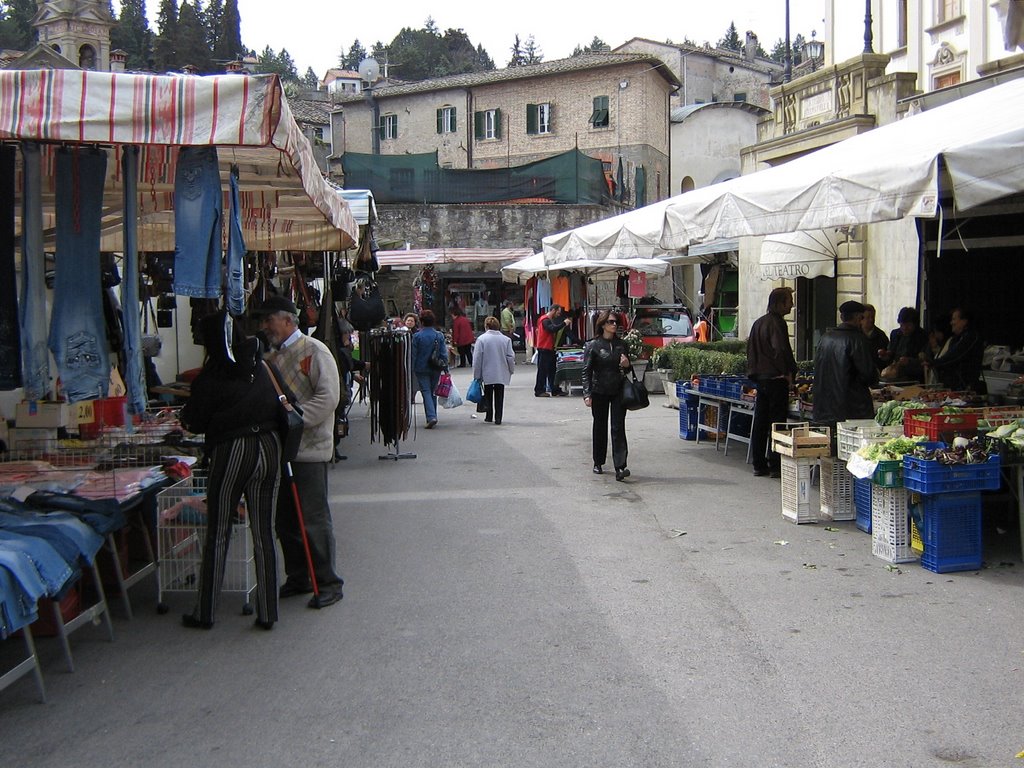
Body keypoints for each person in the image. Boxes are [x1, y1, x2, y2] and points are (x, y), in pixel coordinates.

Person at [179, 311, 283, 630]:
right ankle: (268, 613)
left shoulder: (212, 375)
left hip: (232, 451)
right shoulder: (263, 366)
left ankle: (206, 611)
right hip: (269, 447)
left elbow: (193, 421)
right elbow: (286, 403)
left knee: (219, 529)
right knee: (264, 532)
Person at [258, 295, 344, 609]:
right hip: (283, 450)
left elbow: (329, 396)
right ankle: (299, 576)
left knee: (313, 518)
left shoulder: (314, 350)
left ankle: (328, 582)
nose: (265, 326)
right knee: (286, 521)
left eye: (269, 319)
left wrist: (298, 420)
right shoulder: (272, 357)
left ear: (287, 320)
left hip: (309, 450)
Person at [747, 287, 797, 478]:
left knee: (760, 422)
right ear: (779, 303)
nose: (792, 304)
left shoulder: (759, 323)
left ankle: (759, 464)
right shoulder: (777, 323)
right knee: (777, 423)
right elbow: (781, 350)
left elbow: (750, 351)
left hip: (761, 379)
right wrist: (787, 373)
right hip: (775, 379)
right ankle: (775, 464)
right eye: (789, 300)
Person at [582, 310, 633, 481]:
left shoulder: (622, 345)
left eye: (615, 322)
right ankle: (598, 461)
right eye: (611, 322)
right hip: (599, 390)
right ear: (603, 324)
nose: (614, 325)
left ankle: (620, 466)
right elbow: (586, 371)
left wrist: (627, 365)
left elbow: (628, 370)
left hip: (618, 390)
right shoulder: (593, 345)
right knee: (600, 426)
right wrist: (587, 393)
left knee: (618, 427)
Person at [812, 301, 879, 429]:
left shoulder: (826, 338)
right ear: (858, 317)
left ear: (842, 317)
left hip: (824, 407)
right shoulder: (857, 339)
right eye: (862, 317)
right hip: (851, 407)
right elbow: (868, 374)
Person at [925, 307, 985, 392]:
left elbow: (955, 356)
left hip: (965, 387)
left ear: (964, 321)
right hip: (954, 386)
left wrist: (934, 363)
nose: (951, 323)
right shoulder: (955, 339)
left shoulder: (971, 337)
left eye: (954, 319)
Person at [472, 316, 515, 424]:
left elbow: (477, 358)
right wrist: (511, 370)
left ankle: (489, 415)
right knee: (500, 395)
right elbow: (510, 357)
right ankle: (498, 417)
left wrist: (476, 375)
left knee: (488, 394)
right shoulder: (506, 340)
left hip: (487, 372)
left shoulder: (481, 339)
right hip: (501, 372)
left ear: (486, 326)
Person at [411, 309, 448, 429]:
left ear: (421, 322)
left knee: (426, 391)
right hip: (435, 367)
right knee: (433, 391)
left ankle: (431, 416)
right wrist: (446, 368)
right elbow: (443, 354)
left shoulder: (417, 336)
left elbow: (413, 355)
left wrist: (411, 368)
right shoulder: (439, 335)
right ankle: (432, 415)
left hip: (421, 368)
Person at [880, 306, 928, 382]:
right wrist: (886, 355)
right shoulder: (895, 334)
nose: (904, 328)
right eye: (902, 325)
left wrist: (910, 361)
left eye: (908, 325)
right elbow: (891, 352)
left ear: (915, 324)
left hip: (913, 377)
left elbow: (925, 360)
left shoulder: (922, 336)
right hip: (895, 375)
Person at [534, 304, 571, 397]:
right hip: (544, 348)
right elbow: (552, 329)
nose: (558, 315)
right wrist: (564, 323)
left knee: (552, 371)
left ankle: (555, 389)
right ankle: (539, 390)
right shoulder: (545, 320)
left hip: (549, 348)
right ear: (553, 310)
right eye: (558, 312)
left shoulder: (546, 320)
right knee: (543, 371)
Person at [860, 304, 889, 371]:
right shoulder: (855, 335)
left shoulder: (881, 336)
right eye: (868, 317)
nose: (871, 320)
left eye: (872, 317)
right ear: (861, 318)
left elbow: (888, 357)